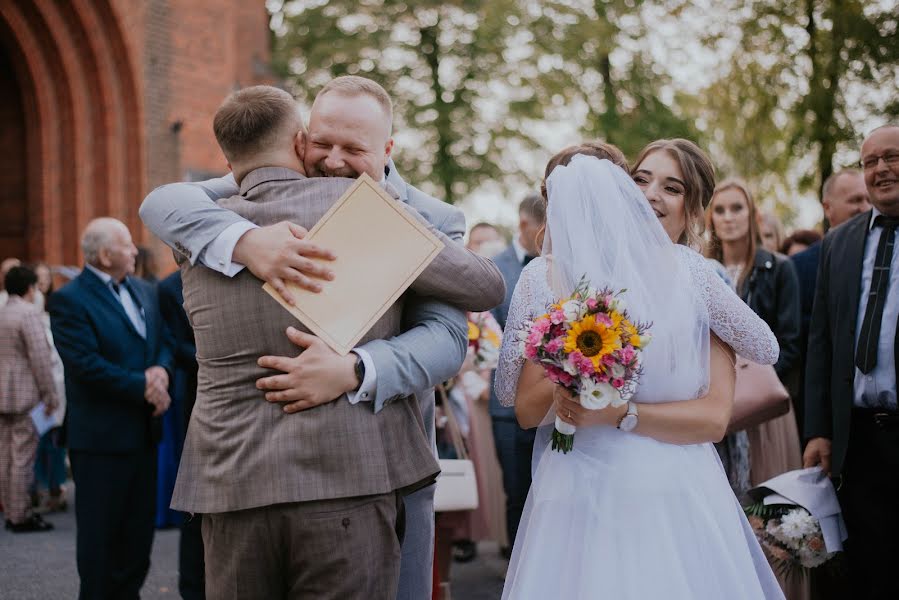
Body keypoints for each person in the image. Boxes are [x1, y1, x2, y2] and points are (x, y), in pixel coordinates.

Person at [160, 85, 503, 598]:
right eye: (322, 144)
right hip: (332, 485)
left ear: (387, 151)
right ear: (300, 141)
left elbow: (448, 337)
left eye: (354, 150)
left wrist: (358, 368)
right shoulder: (226, 219)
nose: (334, 161)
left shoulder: (424, 217)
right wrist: (245, 242)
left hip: (362, 467)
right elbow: (164, 202)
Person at [496, 144, 782, 598]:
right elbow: (521, 406)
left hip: (673, 482)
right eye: (640, 180)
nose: (649, 195)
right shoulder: (552, 276)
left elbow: (763, 349)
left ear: (693, 209)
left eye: (672, 187)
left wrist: (708, 311)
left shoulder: (694, 274)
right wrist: (571, 364)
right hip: (578, 483)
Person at [49, 218, 173, 599]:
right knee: (101, 540)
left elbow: (162, 341)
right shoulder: (70, 299)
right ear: (104, 255)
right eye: (127, 246)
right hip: (100, 441)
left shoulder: (143, 290)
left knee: (137, 539)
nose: (136, 251)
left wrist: (161, 372)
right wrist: (143, 387)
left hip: (143, 435)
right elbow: (86, 366)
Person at [803, 124, 899, 599]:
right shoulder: (838, 244)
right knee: (864, 570)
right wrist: (819, 429)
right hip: (856, 440)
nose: (880, 169)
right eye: (869, 162)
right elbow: (821, 342)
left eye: (892, 157)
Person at [706, 179, 803, 486]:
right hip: (712, 401)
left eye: (737, 208)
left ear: (753, 216)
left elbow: (790, 341)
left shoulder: (778, 268)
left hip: (761, 400)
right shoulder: (700, 268)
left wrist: (751, 383)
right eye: (719, 210)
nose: (728, 217)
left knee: (764, 500)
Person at [484, 192, 545, 556]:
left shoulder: (561, 267)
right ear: (525, 225)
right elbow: (485, 329)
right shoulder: (495, 267)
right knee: (516, 490)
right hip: (506, 409)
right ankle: (515, 565)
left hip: (554, 404)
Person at [791, 170, 869, 435]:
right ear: (827, 207)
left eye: (869, 200)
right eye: (856, 200)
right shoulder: (799, 267)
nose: (865, 208)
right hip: (823, 410)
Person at [0, 266, 59, 533]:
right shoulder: (28, 313)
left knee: (5, 456)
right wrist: (50, 395)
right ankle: (20, 515)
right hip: (25, 394)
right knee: (23, 457)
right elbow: (40, 358)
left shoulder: (3, 313)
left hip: (3, 393)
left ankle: (10, 510)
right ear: (29, 288)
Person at [30, 261, 68, 514]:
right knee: (39, 440)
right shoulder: (30, 312)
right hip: (39, 386)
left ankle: (55, 488)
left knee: (54, 439)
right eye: (39, 277)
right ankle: (40, 488)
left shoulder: (57, 305)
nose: (44, 281)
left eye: (46, 276)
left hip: (56, 383)